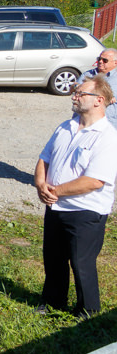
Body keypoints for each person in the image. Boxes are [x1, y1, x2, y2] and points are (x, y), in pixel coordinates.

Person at [35, 75, 117, 318]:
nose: (75, 96)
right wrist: (40, 183)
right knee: (53, 259)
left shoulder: (108, 137)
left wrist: (54, 191)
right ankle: (52, 302)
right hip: (56, 208)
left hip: (85, 211)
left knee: (81, 263)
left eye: (81, 93)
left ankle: (88, 311)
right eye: (76, 92)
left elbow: (94, 180)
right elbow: (44, 158)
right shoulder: (65, 126)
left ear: (98, 101)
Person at [80, 48, 117, 129]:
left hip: (108, 124)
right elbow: (73, 89)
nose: (100, 61)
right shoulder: (88, 74)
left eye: (105, 60)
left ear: (115, 62)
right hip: (84, 123)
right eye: (99, 59)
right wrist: (76, 87)